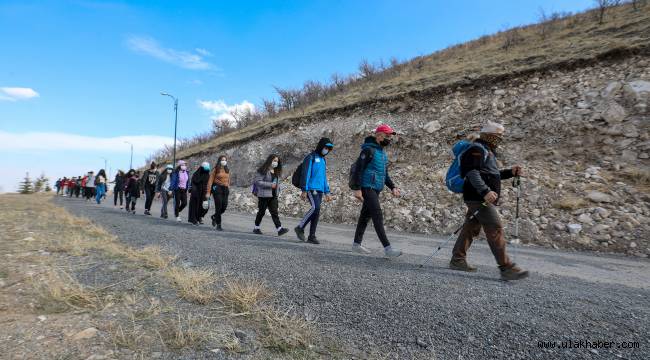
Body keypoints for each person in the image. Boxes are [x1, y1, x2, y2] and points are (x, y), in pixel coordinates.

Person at [450, 121, 528, 281]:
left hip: (477, 197)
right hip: (478, 197)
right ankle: (506, 268)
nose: (500, 139)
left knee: (470, 228)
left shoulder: (487, 151)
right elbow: (472, 172)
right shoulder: (476, 150)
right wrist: (485, 191)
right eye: (498, 136)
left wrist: (510, 172)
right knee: (495, 227)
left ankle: (457, 260)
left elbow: (490, 174)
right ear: (489, 136)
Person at [349, 124, 402, 258]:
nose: (390, 138)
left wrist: (393, 187)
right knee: (377, 214)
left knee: (365, 216)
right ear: (379, 136)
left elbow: (385, 175)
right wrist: (357, 189)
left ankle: (356, 244)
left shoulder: (382, 154)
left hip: (376, 188)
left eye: (390, 136)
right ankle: (388, 248)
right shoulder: (368, 151)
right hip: (367, 187)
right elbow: (358, 170)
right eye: (388, 135)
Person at [294, 138, 334, 244]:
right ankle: (300, 227)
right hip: (311, 188)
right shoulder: (310, 157)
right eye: (325, 147)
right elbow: (306, 174)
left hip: (320, 189)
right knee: (315, 208)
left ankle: (312, 236)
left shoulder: (323, 160)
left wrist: (327, 192)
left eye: (328, 149)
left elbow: (324, 177)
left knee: (316, 212)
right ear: (320, 146)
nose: (326, 150)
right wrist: (304, 189)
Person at [253, 154, 289, 236]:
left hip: (273, 195)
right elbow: (258, 182)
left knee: (274, 212)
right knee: (261, 212)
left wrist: (279, 188)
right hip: (264, 195)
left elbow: (276, 183)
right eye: (274, 161)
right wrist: (270, 185)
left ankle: (279, 229)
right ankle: (256, 227)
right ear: (270, 160)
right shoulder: (263, 170)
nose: (276, 163)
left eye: (277, 161)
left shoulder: (276, 172)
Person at [206, 155, 231, 231]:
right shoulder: (216, 169)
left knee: (224, 207)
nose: (224, 161)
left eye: (225, 160)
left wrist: (228, 186)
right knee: (219, 206)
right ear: (219, 161)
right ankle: (219, 224)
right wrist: (208, 192)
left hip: (225, 189)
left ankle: (214, 217)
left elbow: (228, 179)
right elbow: (210, 181)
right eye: (222, 160)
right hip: (217, 188)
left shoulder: (227, 169)